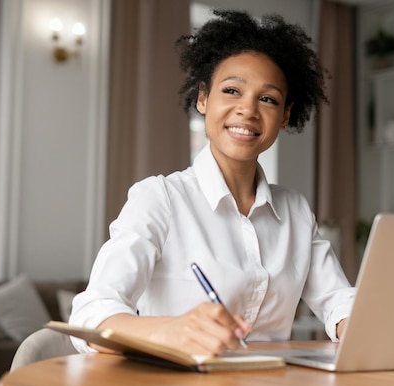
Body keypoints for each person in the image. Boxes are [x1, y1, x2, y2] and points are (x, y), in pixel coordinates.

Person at [69, 9, 355, 356]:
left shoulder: (295, 210)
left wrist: (353, 322)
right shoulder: (159, 198)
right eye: (232, 90)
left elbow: (338, 300)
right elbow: (90, 315)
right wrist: (172, 331)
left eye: (268, 99)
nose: (247, 110)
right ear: (203, 98)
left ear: (285, 116)